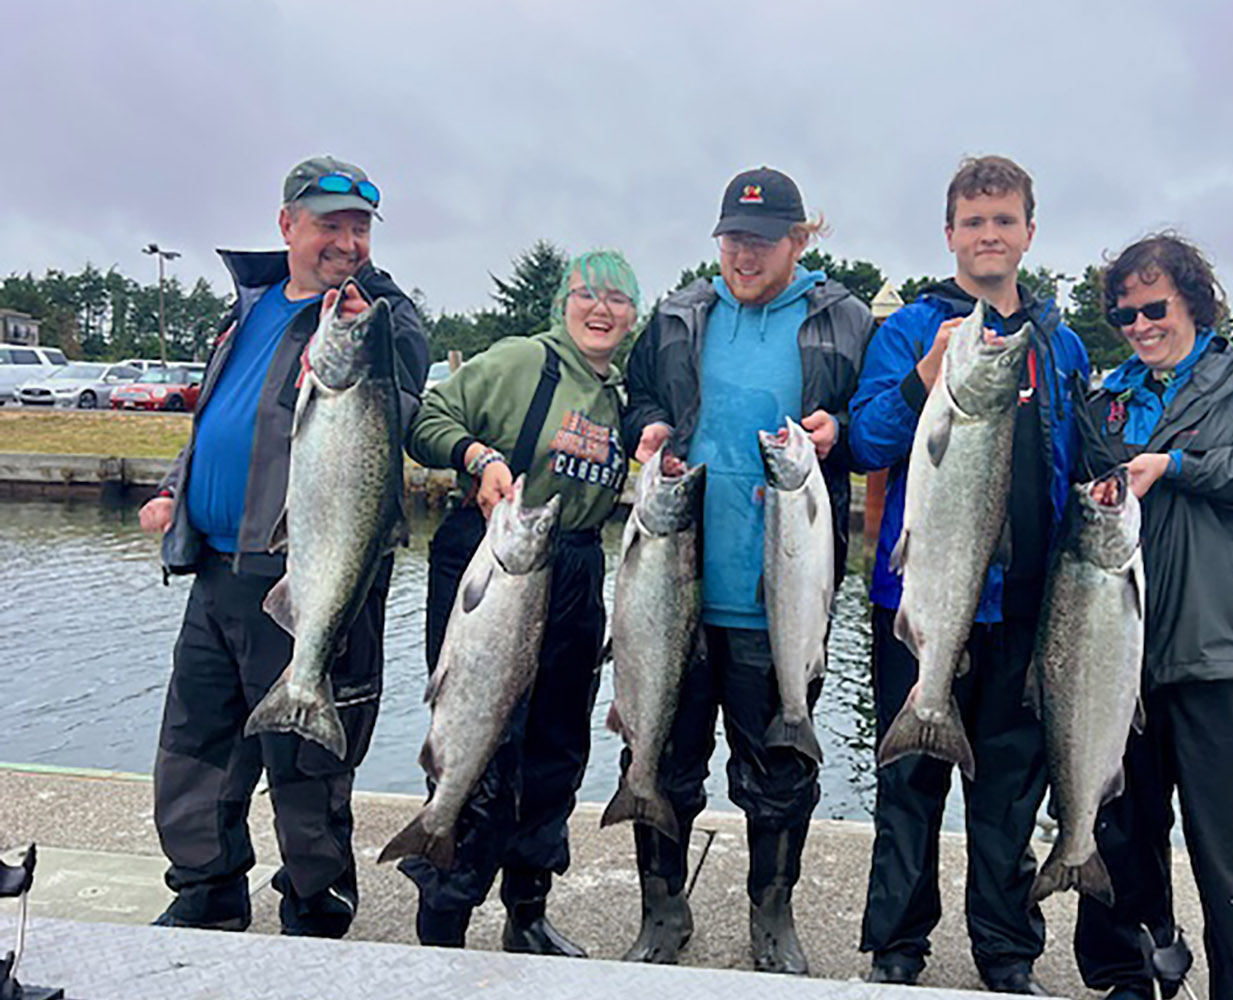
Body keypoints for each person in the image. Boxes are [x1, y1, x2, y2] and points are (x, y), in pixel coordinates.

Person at [140, 156, 428, 936]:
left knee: (308, 770)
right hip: (216, 571)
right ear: (287, 226)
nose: (348, 241)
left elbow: (400, 390)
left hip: (312, 572)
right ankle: (207, 892)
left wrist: (375, 319)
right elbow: (221, 419)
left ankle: (315, 908)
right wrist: (176, 488)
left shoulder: (377, 317)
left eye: (360, 227)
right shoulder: (250, 308)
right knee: (195, 750)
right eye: (330, 224)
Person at [620, 166, 873, 974]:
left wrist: (846, 432)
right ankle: (662, 909)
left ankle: (774, 915)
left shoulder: (846, 320)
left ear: (801, 241)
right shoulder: (676, 316)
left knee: (780, 772)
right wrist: (654, 426)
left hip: (785, 599)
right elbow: (637, 399)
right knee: (659, 755)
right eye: (733, 238)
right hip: (674, 590)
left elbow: (878, 427)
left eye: (762, 241)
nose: (744, 254)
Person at [847, 155, 1090, 993]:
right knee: (908, 784)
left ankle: (1007, 952)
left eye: (1005, 220)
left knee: (1009, 795)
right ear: (949, 234)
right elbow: (867, 442)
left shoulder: (1060, 344)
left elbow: (1078, 461)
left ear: (1029, 230)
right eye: (974, 221)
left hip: (1027, 611)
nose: (990, 235)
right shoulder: (911, 330)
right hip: (919, 601)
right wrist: (922, 381)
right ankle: (898, 946)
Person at [1073, 233, 1233, 1000]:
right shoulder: (1104, 400)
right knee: (1119, 834)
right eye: (1125, 315)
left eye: (1155, 307)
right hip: (1121, 657)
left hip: (1228, 654)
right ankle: (1129, 976)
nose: (1141, 325)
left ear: (1195, 300)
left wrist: (1180, 466)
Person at [397, 250, 636, 954]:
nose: (601, 310)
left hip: (576, 564)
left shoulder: (618, 396)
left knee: (557, 744)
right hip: (492, 553)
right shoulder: (520, 361)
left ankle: (526, 909)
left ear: (633, 315)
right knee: (481, 737)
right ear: (563, 302)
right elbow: (427, 420)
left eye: (618, 300)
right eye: (587, 295)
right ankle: (444, 909)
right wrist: (479, 458)